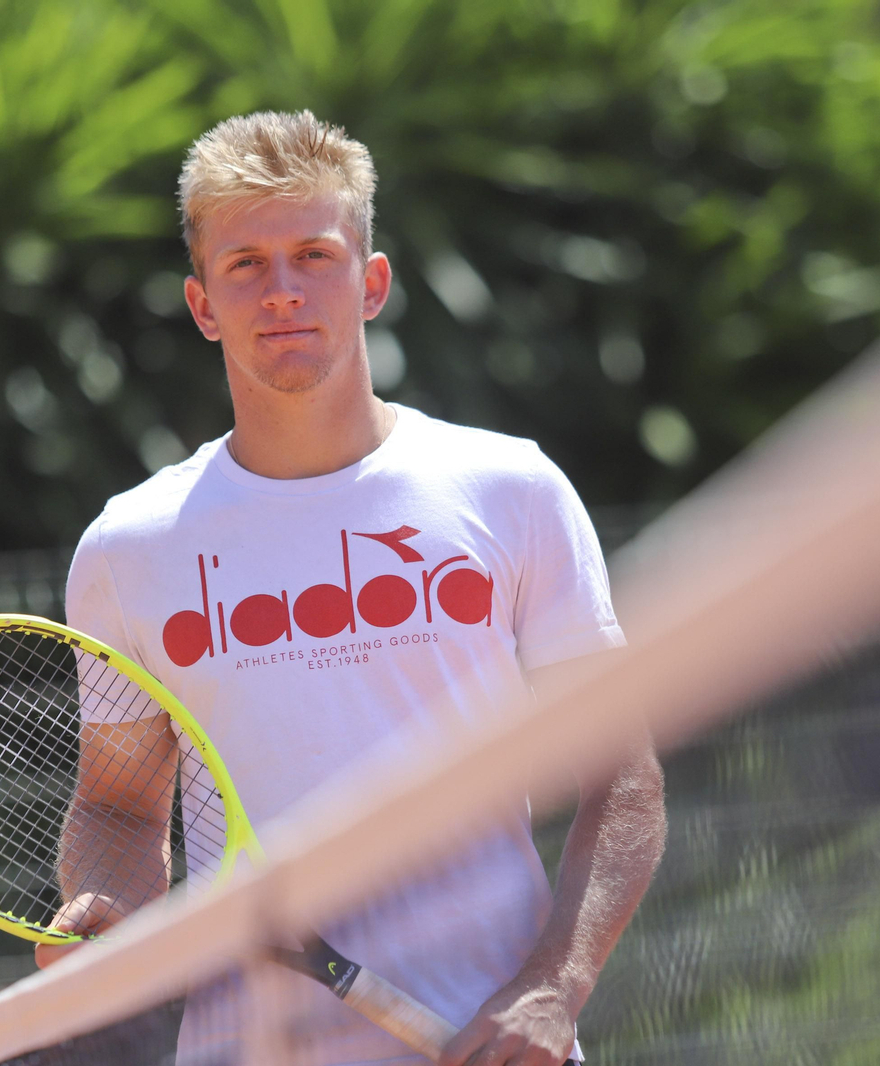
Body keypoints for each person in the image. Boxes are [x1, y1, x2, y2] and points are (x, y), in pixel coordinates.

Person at [40, 109, 667, 1066]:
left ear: (370, 283)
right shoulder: (131, 547)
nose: (282, 290)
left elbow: (623, 779)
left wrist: (553, 988)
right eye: (244, 264)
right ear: (203, 304)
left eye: (313, 255)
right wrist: (103, 907)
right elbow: (120, 806)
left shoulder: (510, 489)